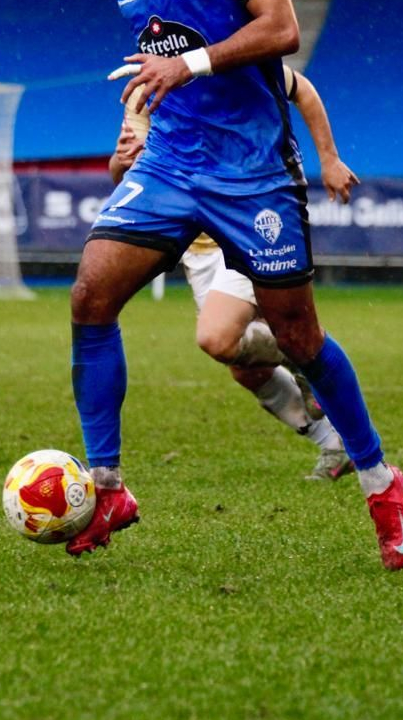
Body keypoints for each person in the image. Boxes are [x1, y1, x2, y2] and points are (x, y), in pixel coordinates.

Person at [69, 0, 403, 569]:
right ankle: (107, 486)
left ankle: (380, 482)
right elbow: (160, 62)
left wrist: (186, 68)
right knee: (91, 298)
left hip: (251, 172)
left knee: (300, 339)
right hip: (170, 170)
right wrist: (138, 118)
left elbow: (281, 29)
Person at [109, 69, 355, 481]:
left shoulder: (230, 58)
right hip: (198, 247)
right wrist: (121, 161)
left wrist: (329, 159)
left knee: (216, 336)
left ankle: (306, 356)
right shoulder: (142, 93)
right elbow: (125, 177)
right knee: (245, 366)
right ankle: (332, 441)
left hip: (248, 221)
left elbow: (304, 90)